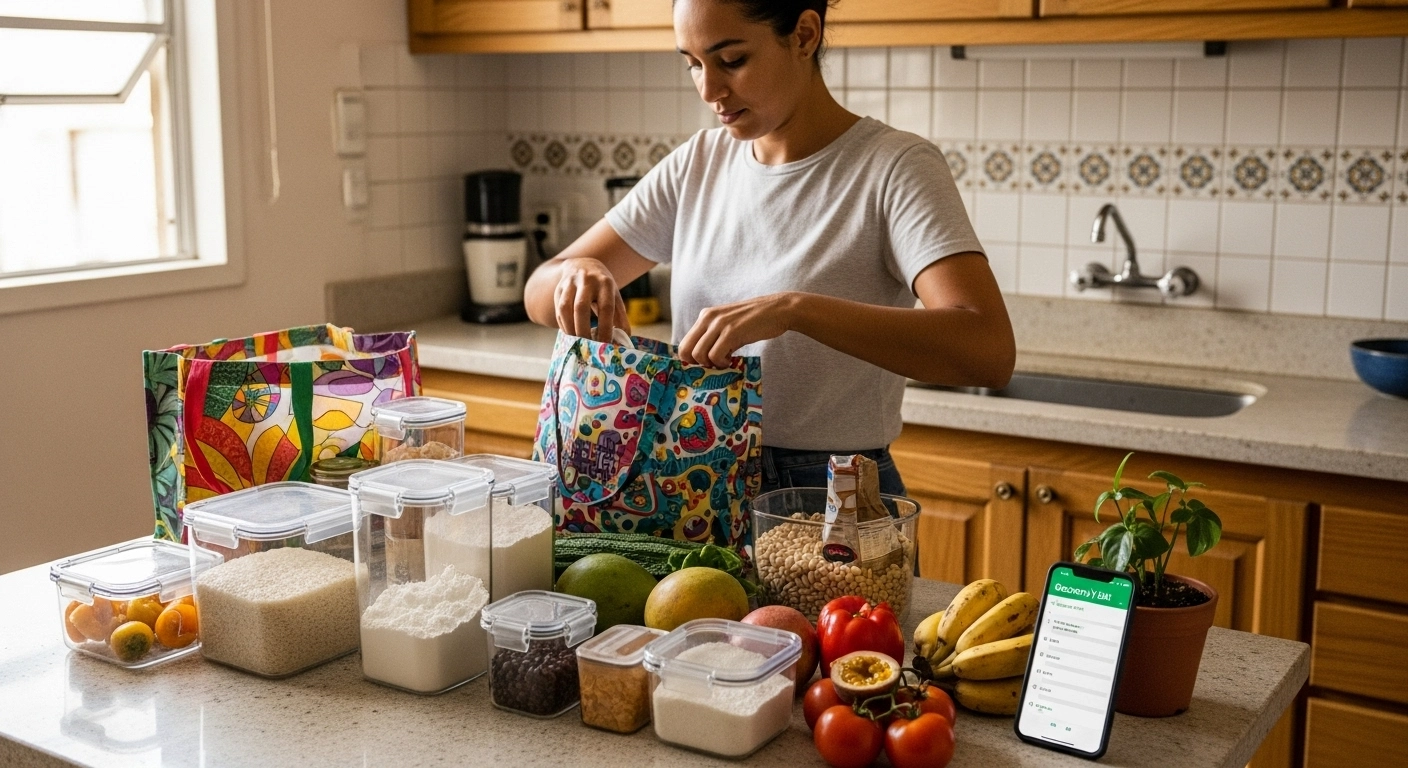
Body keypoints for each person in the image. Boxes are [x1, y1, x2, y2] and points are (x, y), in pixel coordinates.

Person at [524, 0, 1015, 496]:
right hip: (689, 482)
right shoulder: (698, 163)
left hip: (828, 495)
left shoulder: (894, 167)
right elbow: (538, 293)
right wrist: (578, 271)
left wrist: (794, 310)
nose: (709, 90)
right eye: (694, 63)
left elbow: (987, 351)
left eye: (731, 60)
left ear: (803, 35)